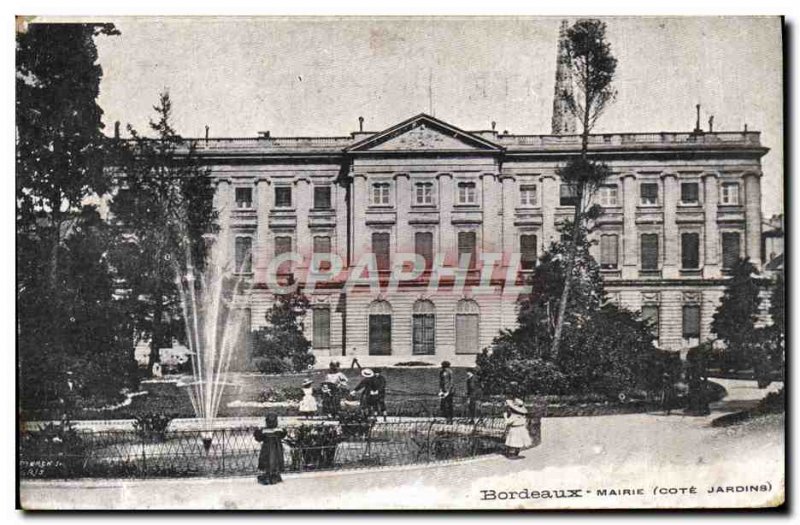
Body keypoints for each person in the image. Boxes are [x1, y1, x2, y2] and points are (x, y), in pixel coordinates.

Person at [253, 413, 286, 485]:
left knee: (267, 462)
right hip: (277, 449)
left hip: (266, 450)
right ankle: (275, 476)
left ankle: (269, 477)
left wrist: (257, 431)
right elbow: (284, 434)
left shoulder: (264, 431)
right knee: (275, 462)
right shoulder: (279, 431)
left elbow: (258, 438)